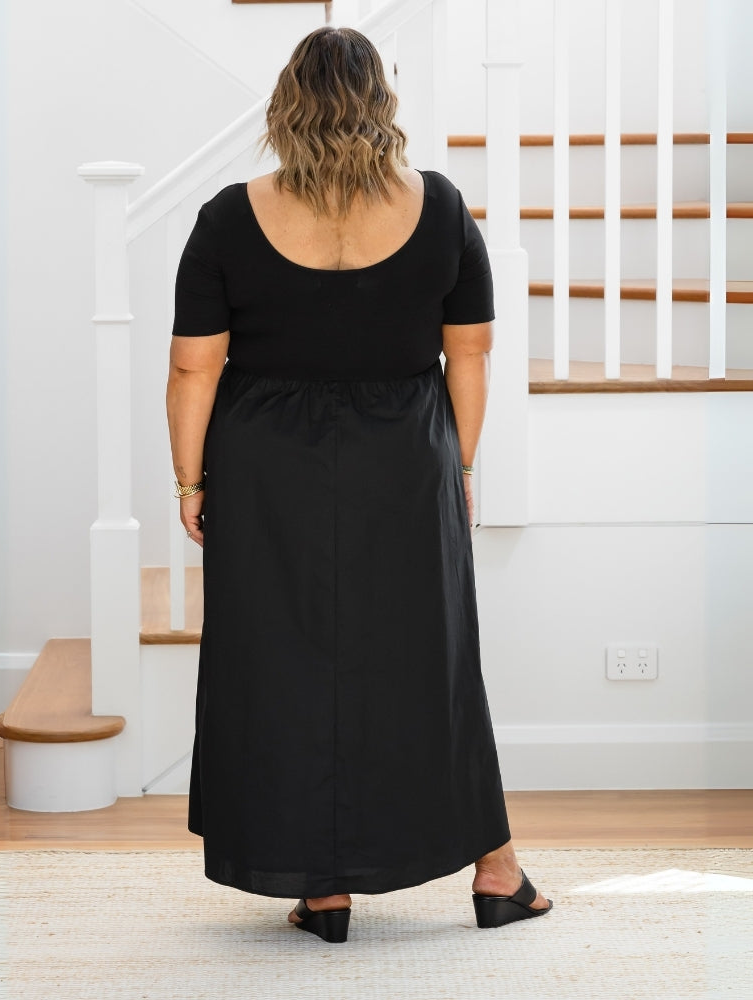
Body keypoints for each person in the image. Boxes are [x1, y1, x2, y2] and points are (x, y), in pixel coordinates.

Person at [166, 25, 551, 944]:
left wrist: (189, 481)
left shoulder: (229, 217)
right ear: (382, 102)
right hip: (404, 455)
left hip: (266, 463)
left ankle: (324, 887)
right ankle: (496, 870)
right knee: (429, 662)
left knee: (279, 663)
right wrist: (459, 464)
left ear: (286, 106)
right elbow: (470, 355)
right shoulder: (442, 206)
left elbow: (194, 368)